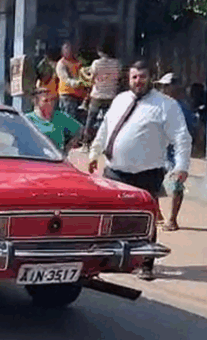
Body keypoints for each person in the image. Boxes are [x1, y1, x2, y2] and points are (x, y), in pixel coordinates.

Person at [88, 60, 192, 280]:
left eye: (142, 77)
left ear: (150, 78)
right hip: (115, 171)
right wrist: (93, 153)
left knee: (145, 221)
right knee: (109, 218)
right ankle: (107, 260)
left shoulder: (166, 105)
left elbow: (181, 138)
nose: (138, 81)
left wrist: (182, 166)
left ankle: (145, 264)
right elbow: (106, 128)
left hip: (147, 174)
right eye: (134, 77)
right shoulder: (119, 99)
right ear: (129, 78)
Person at [157, 72, 198, 231]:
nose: (163, 89)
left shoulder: (182, 108)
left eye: (167, 86)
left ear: (175, 87)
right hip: (160, 149)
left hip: (176, 150)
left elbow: (193, 130)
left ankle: (172, 220)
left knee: (176, 184)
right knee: (151, 180)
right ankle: (158, 213)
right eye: (162, 86)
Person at [81, 40, 121, 150]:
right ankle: (109, 144)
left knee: (91, 119)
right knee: (110, 121)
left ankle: (86, 143)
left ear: (100, 51)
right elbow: (119, 78)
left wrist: (84, 73)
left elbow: (91, 78)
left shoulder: (96, 63)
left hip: (97, 95)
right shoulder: (117, 63)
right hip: (111, 96)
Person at [56, 42, 88, 122]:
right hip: (68, 96)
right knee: (69, 121)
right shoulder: (61, 64)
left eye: (70, 49)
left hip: (80, 97)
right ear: (62, 51)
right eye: (66, 49)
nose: (69, 51)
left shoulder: (79, 62)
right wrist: (76, 83)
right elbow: (64, 78)